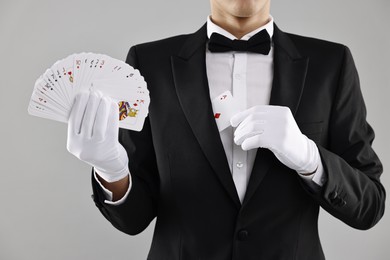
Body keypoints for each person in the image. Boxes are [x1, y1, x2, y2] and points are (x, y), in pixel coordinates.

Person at [66, 0, 386, 259]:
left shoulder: (331, 63)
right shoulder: (148, 63)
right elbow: (134, 221)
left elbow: (369, 205)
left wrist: (310, 159)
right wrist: (110, 169)